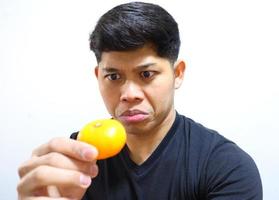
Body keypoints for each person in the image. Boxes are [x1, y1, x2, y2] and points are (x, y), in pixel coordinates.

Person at [17, 2, 262, 199]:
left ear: (177, 74)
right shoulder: (75, 161)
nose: (129, 93)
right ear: (98, 77)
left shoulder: (225, 167)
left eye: (146, 74)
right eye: (113, 76)